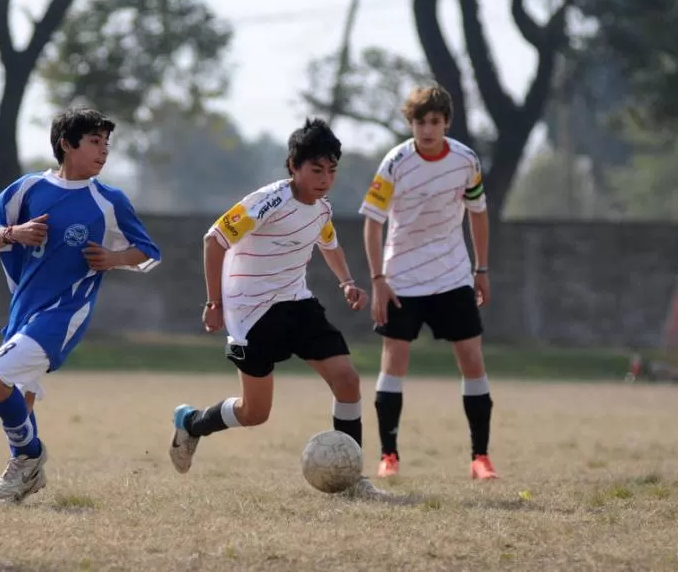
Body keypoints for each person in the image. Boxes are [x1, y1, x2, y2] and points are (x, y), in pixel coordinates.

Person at [169, 118, 385, 498]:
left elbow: (329, 243)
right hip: (250, 314)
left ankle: (349, 479)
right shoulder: (268, 201)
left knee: (348, 381)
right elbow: (214, 239)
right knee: (256, 413)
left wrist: (347, 282)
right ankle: (192, 423)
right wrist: (214, 302)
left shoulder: (321, 209)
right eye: (316, 169)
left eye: (331, 170)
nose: (324, 179)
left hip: (296, 302)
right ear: (293, 166)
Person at [0, 108, 161, 503]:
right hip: (23, 312)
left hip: (65, 313)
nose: (103, 152)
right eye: (94, 142)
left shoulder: (109, 200)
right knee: (20, 397)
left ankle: (29, 457)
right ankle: (24, 476)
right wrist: (12, 233)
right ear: (67, 144)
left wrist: (114, 259)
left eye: (107, 144)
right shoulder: (28, 190)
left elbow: (150, 253)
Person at [359, 83, 498, 480]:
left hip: (453, 275)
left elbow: (478, 212)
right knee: (394, 360)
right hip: (401, 276)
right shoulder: (394, 163)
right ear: (412, 123)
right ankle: (389, 456)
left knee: (472, 359)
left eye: (435, 121)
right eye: (420, 121)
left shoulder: (466, 161)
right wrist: (378, 278)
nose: (427, 129)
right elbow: (372, 222)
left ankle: (480, 458)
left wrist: (482, 269)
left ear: (446, 123)